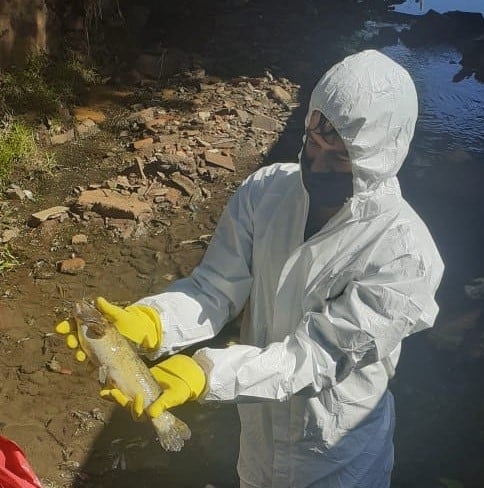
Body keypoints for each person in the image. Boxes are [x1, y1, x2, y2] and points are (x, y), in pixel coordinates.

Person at [57, 49, 444, 487]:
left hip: (336, 457)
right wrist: (153, 321)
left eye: (340, 159)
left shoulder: (404, 255)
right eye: (313, 146)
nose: (317, 166)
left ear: (380, 160)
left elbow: (314, 357)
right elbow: (214, 287)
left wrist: (206, 372)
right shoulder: (267, 191)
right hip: (258, 438)